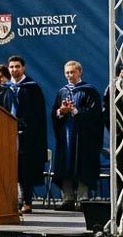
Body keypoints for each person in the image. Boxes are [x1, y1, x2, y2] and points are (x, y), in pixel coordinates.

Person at [50, 59, 102, 210]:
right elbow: (55, 114)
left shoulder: (89, 91)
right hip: (66, 135)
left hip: (83, 137)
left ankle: (82, 199)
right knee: (65, 166)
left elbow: (95, 115)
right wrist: (61, 111)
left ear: (80, 72)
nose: (69, 75)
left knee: (82, 166)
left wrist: (74, 110)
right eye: (67, 72)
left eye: (72, 72)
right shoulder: (62, 91)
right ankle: (67, 199)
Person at [6, 55, 48, 214]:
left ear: (23, 68)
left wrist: (25, 124)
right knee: (9, 168)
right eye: (11, 67)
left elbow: (38, 114)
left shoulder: (32, 88)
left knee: (25, 169)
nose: (14, 70)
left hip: (26, 136)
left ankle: (27, 201)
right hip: (7, 134)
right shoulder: (5, 88)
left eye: (17, 67)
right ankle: (10, 202)